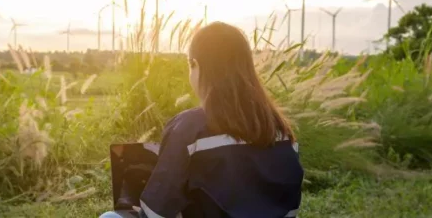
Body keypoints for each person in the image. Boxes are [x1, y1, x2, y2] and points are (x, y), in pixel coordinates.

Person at [100, 22, 303, 218]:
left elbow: (156, 214)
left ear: (194, 64)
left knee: (110, 217)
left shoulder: (188, 128)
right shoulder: (282, 129)